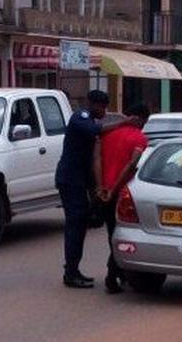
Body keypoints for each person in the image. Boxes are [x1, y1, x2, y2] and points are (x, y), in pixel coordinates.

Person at [55, 90, 138, 289]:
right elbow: (97, 130)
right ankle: (71, 272)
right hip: (70, 180)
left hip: (81, 181)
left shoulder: (89, 121)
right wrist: (124, 123)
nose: (104, 111)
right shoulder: (80, 117)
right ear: (92, 104)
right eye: (102, 107)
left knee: (81, 223)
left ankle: (73, 270)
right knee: (75, 225)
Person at [94, 103, 150, 294]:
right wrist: (114, 189)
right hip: (120, 192)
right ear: (142, 120)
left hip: (103, 191)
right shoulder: (140, 138)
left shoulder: (108, 134)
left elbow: (97, 160)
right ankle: (112, 276)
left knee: (112, 234)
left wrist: (101, 186)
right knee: (121, 235)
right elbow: (131, 163)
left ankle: (120, 274)